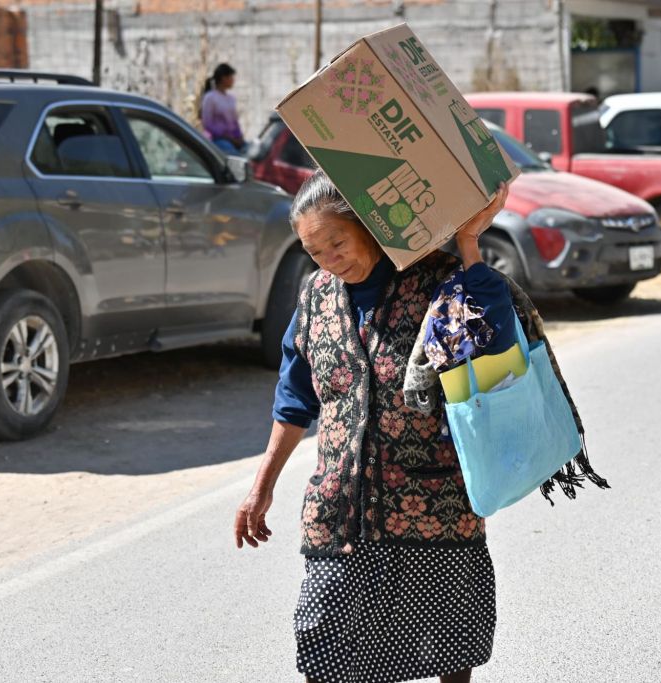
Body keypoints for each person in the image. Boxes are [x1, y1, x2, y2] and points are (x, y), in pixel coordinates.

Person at [234, 171, 599, 682]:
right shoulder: (315, 298)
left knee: (450, 645)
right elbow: (293, 402)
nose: (328, 259)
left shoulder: (439, 282)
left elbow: (493, 339)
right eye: (314, 252)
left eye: (337, 242)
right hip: (341, 510)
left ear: (369, 227)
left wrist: (468, 242)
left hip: (435, 505)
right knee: (323, 642)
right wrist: (261, 487)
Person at [201, 63, 245, 154]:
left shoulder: (231, 98)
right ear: (223, 78)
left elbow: (234, 122)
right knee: (235, 155)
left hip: (232, 140)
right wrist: (227, 138)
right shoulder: (210, 98)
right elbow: (207, 124)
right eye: (231, 77)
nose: (233, 80)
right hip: (216, 139)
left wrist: (239, 137)